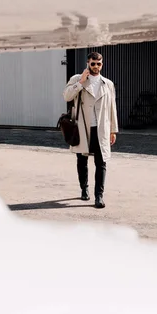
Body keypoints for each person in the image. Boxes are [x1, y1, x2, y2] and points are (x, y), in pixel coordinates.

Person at [63, 52, 118, 209]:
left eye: (98, 64)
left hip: (101, 128)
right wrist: (80, 82)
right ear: (88, 63)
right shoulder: (76, 79)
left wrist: (113, 130)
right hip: (82, 127)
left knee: (101, 163)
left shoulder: (108, 84)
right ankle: (84, 188)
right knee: (82, 160)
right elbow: (66, 96)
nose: (95, 67)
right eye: (93, 63)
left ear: (102, 64)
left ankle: (99, 196)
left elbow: (112, 108)